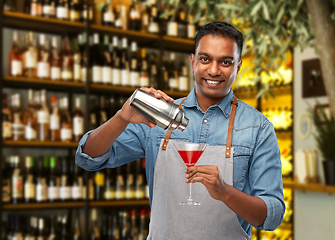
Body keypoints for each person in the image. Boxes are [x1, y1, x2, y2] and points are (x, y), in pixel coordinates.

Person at [75, 22, 285, 239]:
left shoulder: (259, 128)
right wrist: (121, 118)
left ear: (238, 67)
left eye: (225, 62)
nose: (213, 70)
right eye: (205, 59)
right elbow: (88, 158)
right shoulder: (158, 117)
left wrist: (225, 193)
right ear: (193, 61)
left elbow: (273, 215)